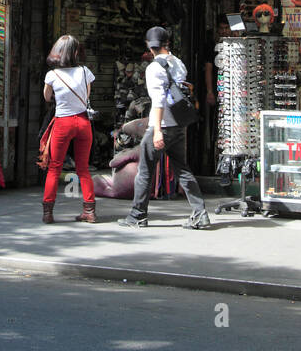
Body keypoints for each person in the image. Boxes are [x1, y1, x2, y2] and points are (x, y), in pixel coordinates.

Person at [119, 26, 210, 229]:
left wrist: (157, 130)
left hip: (162, 126)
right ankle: (200, 213)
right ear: (167, 43)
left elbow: (158, 101)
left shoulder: (154, 68)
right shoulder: (178, 63)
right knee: (182, 169)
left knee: (144, 171)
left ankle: (137, 215)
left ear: (149, 46)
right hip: (179, 126)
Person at [41, 35, 97, 224]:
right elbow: (86, 95)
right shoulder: (84, 71)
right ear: (74, 52)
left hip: (63, 122)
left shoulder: (52, 75)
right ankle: (89, 211)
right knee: (83, 169)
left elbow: (47, 97)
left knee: (55, 167)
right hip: (83, 122)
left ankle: (48, 213)